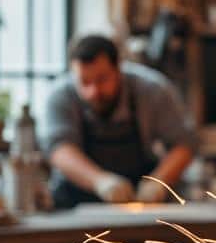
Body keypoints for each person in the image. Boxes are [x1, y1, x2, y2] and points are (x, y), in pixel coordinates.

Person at [40, 35, 196, 208]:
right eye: (85, 82)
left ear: (119, 68)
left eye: (102, 80)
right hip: (75, 206)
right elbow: (59, 149)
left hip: (141, 204)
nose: (94, 91)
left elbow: (184, 144)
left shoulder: (152, 90)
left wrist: (159, 182)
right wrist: (100, 181)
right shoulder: (60, 96)